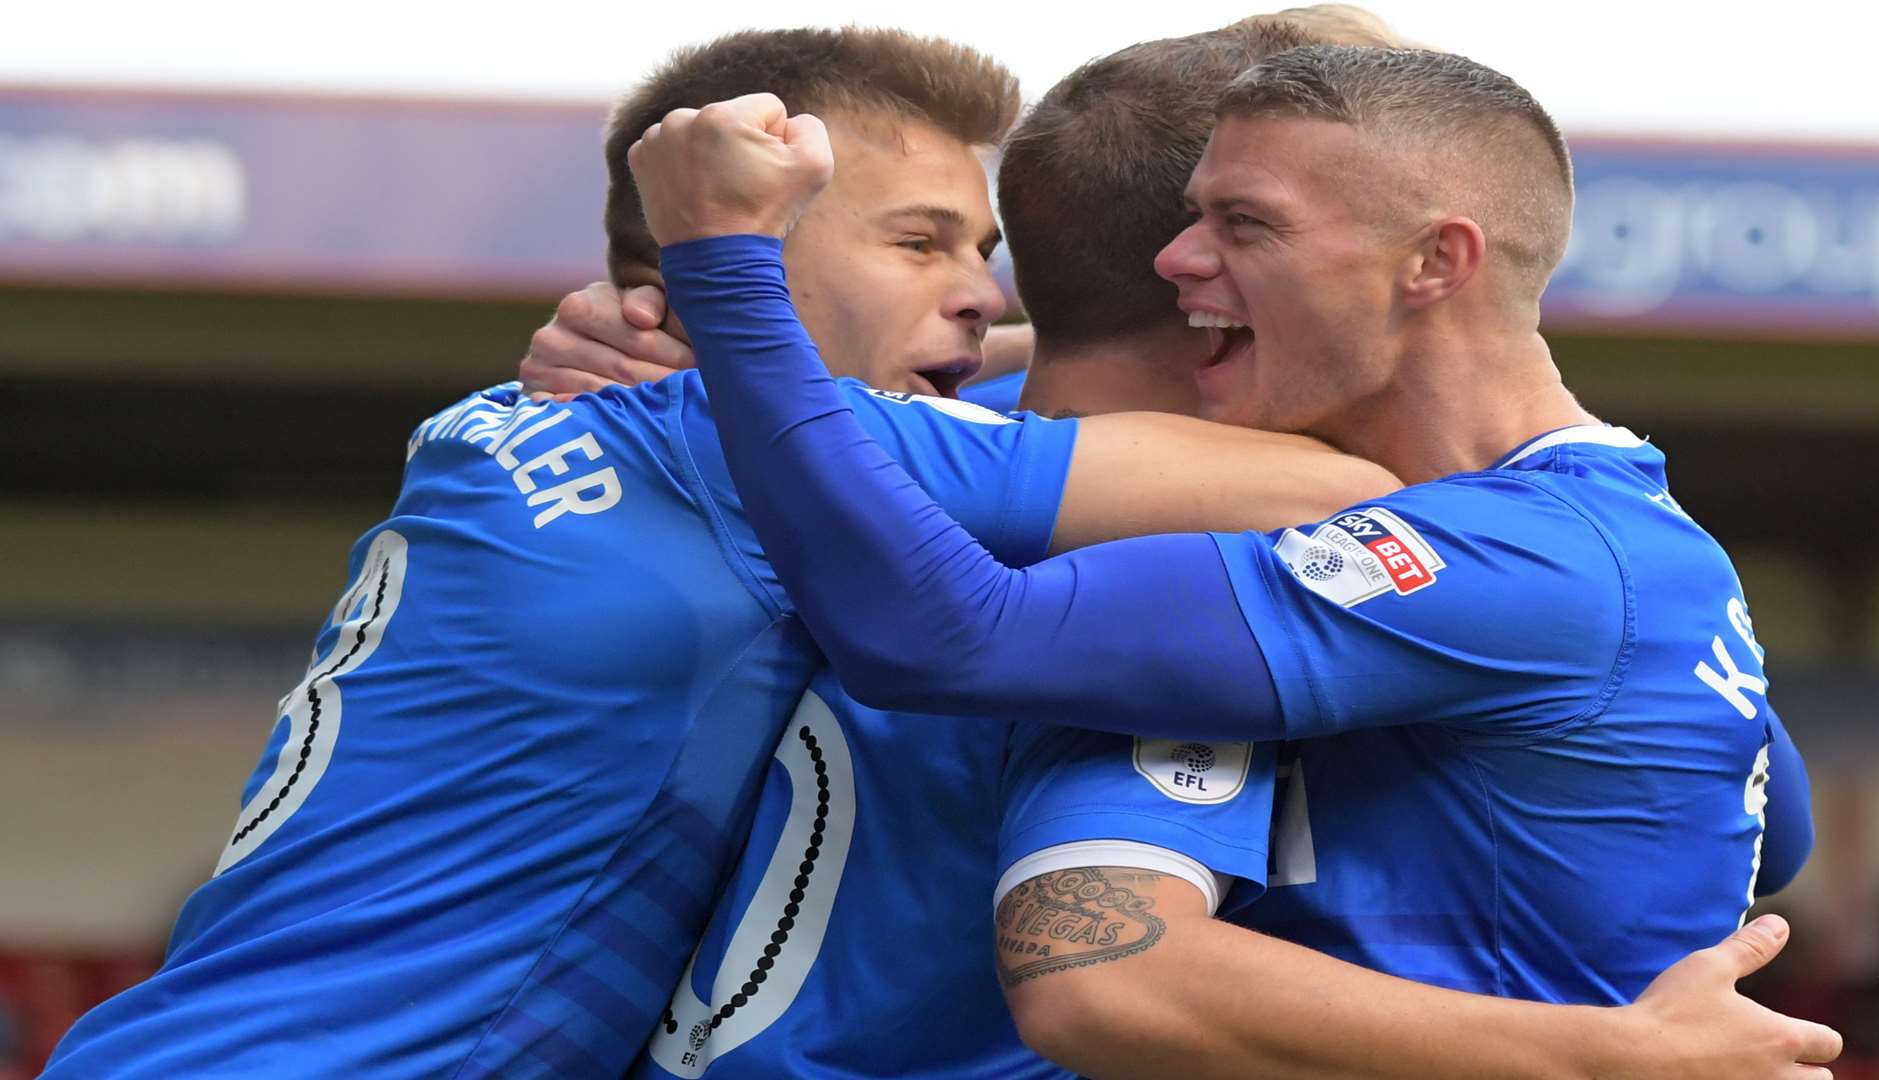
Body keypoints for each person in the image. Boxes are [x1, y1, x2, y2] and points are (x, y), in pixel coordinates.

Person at [42, 27, 1398, 1080]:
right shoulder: (740, 442)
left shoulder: (529, 421)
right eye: (922, 242)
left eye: (984, 250)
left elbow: (1013, 395)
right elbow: (1323, 478)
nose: (980, 293)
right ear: (739, 256)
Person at [628, 44, 1834, 1077]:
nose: (1178, 261)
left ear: (1435, 263)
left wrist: (725, 271)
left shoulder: (1505, 563)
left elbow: (948, 641)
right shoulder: (1623, 542)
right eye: (1191, 215)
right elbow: (1773, 826)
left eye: (1244, 225)